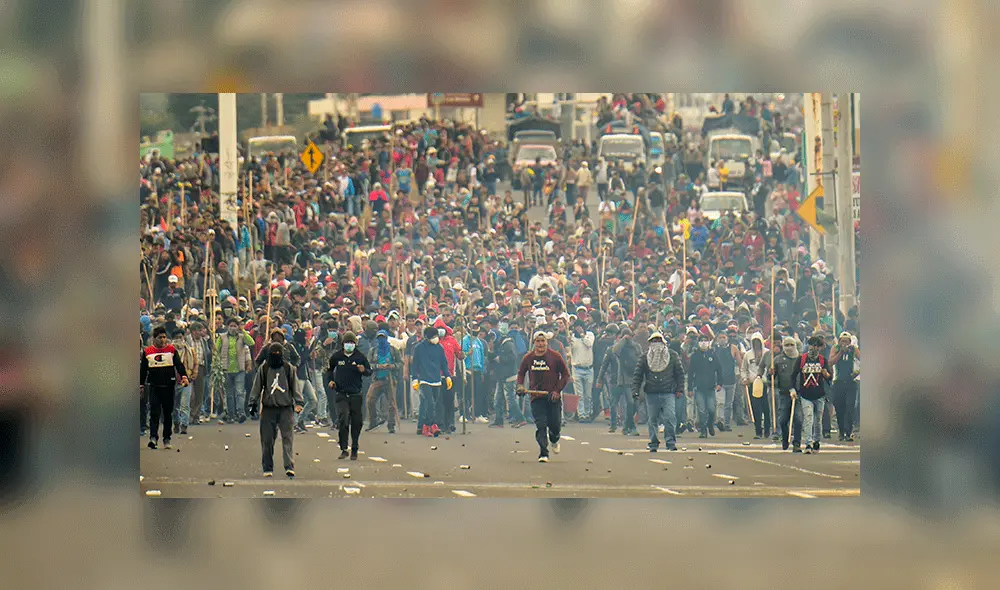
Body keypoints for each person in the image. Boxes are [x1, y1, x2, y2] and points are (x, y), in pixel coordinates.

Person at [248, 342, 304, 477]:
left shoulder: (288, 368)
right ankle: (267, 467)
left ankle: (289, 466)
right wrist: (253, 403)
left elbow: (295, 387)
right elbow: (257, 386)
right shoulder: (264, 368)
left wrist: (299, 402)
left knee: (287, 438)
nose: (276, 356)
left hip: (286, 408)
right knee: (267, 440)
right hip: (268, 408)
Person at [516, 331, 571, 463]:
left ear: (547, 342)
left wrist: (557, 390)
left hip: (553, 397)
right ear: (534, 343)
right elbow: (521, 374)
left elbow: (565, 375)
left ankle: (554, 439)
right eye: (538, 341)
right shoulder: (528, 358)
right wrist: (520, 386)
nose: (540, 344)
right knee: (541, 425)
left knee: (555, 425)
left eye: (543, 341)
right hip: (536, 397)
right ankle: (543, 453)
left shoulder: (555, 356)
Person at [631, 332, 685, 452]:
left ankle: (670, 442)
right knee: (652, 420)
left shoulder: (672, 355)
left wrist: (680, 389)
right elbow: (638, 375)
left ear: (664, 342)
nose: (656, 344)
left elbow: (679, 373)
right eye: (654, 341)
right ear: (650, 343)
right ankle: (653, 443)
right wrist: (635, 390)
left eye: (659, 341)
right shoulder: (645, 357)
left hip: (668, 392)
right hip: (651, 392)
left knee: (670, 417)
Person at [141, 326, 189, 450]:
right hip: (154, 386)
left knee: (168, 414)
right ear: (154, 339)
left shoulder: (171, 350)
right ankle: (153, 437)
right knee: (154, 413)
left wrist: (184, 376)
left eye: (164, 337)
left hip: (169, 386)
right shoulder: (148, 352)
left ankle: (167, 438)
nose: (162, 340)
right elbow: (143, 370)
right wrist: (141, 384)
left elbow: (179, 365)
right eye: (160, 338)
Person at [327, 332, 372, 460]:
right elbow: (329, 370)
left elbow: (369, 371)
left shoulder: (360, 357)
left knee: (357, 422)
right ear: (343, 344)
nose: (349, 345)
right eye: (347, 343)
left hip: (356, 394)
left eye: (352, 343)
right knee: (343, 419)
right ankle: (343, 447)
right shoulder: (337, 356)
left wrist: (364, 370)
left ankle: (355, 447)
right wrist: (330, 380)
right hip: (341, 393)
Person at [759, 336, 804, 451]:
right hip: (784, 393)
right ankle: (785, 438)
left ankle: (797, 443)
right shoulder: (778, 360)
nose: (789, 347)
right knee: (783, 419)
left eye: (791, 345)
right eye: (787, 345)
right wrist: (771, 373)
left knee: (798, 419)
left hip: (799, 393)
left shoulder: (801, 359)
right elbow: (770, 377)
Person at [597, 326, 641, 436]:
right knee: (613, 402)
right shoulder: (613, 349)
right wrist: (600, 379)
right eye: (623, 336)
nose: (627, 339)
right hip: (615, 380)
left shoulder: (636, 347)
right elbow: (604, 365)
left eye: (629, 336)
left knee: (631, 403)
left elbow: (640, 360)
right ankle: (613, 424)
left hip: (629, 380)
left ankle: (628, 425)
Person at [411, 326, 452, 437]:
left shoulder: (439, 348)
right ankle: (430, 425)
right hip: (424, 380)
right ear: (427, 337)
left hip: (437, 380)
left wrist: (447, 376)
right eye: (433, 337)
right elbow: (414, 365)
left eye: (436, 336)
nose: (436, 338)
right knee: (430, 403)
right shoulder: (419, 348)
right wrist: (414, 378)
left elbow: (444, 363)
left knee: (427, 404)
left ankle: (421, 426)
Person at [215, 317, 255, 424]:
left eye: (235, 326)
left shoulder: (242, 337)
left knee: (239, 392)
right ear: (227, 327)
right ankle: (231, 414)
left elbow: (251, 343)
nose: (233, 328)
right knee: (229, 394)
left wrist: (243, 332)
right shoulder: (222, 338)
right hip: (226, 369)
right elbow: (216, 350)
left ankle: (241, 413)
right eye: (231, 326)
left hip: (239, 370)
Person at [797, 334, 831, 454]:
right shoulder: (801, 359)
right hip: (805, 394)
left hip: (819, 395)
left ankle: (817, 440)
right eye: (811, 345)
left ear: (820, 348)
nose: (814, 348)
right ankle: (808, 443)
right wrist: (793, 389)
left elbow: (829, 377)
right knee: (808, 418)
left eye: (816, 346)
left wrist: (826, 374)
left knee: (818, 420)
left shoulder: (822, 360)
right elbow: (794, 375)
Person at [688, 332, 724, 438]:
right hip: (699, 387)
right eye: (701, 341)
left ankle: (710, 424)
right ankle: (703, 430)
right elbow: (690, 373)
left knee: (712, 408)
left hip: (710, 387)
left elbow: (719, 369)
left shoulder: (712, 355)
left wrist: (719, 383)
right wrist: (689, 388)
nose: (703, 343)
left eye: (705, 341)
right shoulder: (695, 356)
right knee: (702, 410)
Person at [365, 330, 400, 434]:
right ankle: (373, 421)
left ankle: (391, 425)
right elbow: (368, 365)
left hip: (390, 379)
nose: (381, 340)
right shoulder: (373, 351)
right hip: (377, 379)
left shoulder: (393, 350)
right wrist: (377, 366)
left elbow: (400, 363)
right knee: (370, 400)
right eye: (379, 338)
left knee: (391, 403)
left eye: (383, 338)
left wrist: (392, 366)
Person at [491, 323, 525, 427]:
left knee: (510, 399)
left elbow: (512, 357)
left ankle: (520, 418)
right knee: (498, 399)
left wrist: (501, 359)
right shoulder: (504, 344)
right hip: (502, 376)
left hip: (509, 376)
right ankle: (499, 420)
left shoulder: (508, 344)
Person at [739, 332, 771, 439]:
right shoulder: (748, 355)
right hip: (753, 384)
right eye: (754, 342)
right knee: (756, 408)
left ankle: (767, 430)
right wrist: (744, 378)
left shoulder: (767, 353)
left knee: (766, 408)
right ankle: (758, 431)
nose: (756, 344)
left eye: (758, 341)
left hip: (766, 383)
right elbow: (743, 368)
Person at [830, 331, 860, 441]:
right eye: (842, 341)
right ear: (839, 341)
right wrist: (840, 353)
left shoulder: (853, 350)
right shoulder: (835, 349)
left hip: (850, 382)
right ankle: (841, 431)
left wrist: (858, 371)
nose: (844, 343)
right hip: (838, 382)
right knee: (839, 408)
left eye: (846, 341)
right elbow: (831, 362)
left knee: (850, 406)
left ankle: (848, 431)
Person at [170, 328, 197, 436]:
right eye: (176, 338)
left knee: (185, 404)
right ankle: (176, 423)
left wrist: (194, 375)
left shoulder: (190, 350)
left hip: (186, 380)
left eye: (180, 337)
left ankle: (184, 425)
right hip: (172, 381)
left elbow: (195, 364)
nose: (178, 340)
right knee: (173, 406)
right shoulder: (169, 352)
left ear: (183, 338)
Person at [569, 320, 596, 422]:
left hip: (588, 368)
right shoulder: (572, 337)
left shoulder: (590, 335)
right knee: (579, 394)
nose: (578, 328)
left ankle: (588, 413)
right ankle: (581, 415)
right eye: (577, 327)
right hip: (576, 368)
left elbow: (589, 344)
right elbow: (571, 350)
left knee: (588, 394)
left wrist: (582, 335)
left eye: (580, 326)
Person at [713, 330, 740, 432]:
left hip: (731, 380)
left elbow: (739, 362)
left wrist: (741, 374)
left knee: (729, 404)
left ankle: (727, 424)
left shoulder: (733, 348)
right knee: (720, 402)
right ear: (716, 339)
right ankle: (720, 420)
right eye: (720, 337)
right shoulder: (714, 349)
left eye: (724, 337)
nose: (722, 339)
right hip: (719, 381)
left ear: (727, 338)